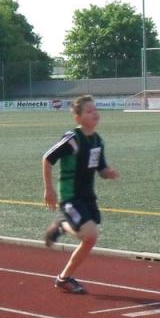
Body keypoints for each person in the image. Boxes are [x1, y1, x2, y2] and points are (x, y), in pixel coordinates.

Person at [42, 95, 119, 294]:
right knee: (90, 234)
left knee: (90, 239)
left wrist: (108, 173)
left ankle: (63, 278)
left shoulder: (97, 140)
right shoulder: (72, 139)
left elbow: (100, 169)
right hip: (70, 197)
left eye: (95, 110)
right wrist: (49, 189)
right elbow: (47, 159)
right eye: (89, 111)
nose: (95, 113)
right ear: (78, 118)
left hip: (88, 196)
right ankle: (62, 224)